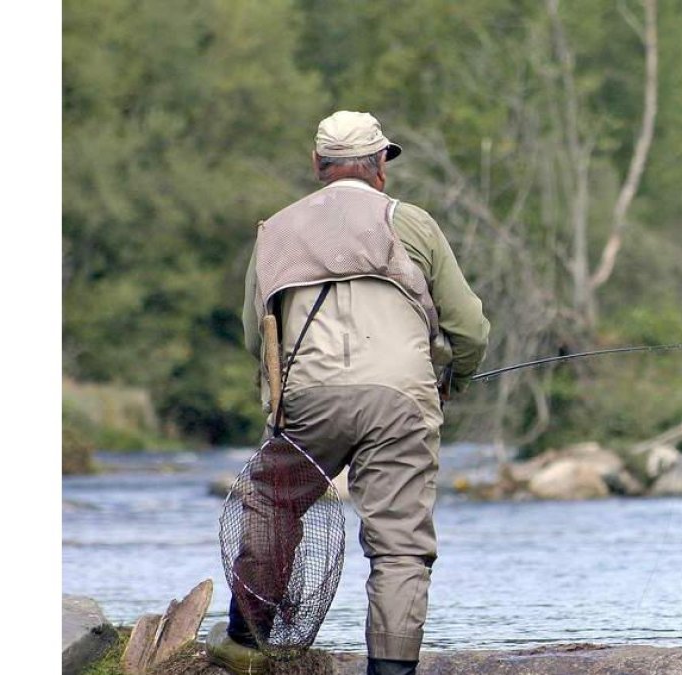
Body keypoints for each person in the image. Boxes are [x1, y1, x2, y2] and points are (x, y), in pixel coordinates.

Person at [207, 110, 491, 675]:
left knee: (272, 501)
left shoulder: (276, 231)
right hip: (403, 399)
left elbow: (252, 332)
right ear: (380, 165)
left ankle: (244, 637)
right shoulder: (413, 224)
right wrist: (452, 378)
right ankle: (390, 671)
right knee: (399, 545)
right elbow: (471, 330)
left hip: (309, 397)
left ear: (318, 166)